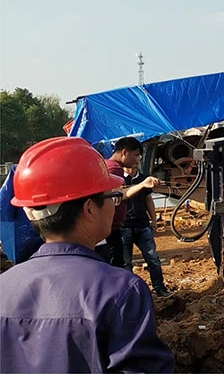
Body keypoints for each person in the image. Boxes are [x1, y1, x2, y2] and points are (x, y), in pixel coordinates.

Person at [0, 136, 174, 373]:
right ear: (90, 209)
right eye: (113, 197)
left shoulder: (4, 287)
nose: (115, 204)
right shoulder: (121, 291)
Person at [99, 137, 160, 267]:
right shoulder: (115, 168)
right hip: (113, 229)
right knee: (119, 266)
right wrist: (143, 184)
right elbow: (119, 194)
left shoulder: (105, 165)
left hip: (111, 227)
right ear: (125, 152)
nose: (137, 160)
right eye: (136, 155)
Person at [121, 165, 170, 297]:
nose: (136, 160)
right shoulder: (119, 180)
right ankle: (130, 293)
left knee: (153, 258)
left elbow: (148, 200)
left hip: (142, 224)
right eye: (135, 156)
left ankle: (159, 287)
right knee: (126, 263)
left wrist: (153, 219)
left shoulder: (143, 178)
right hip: (124, 226)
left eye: (138, 157)